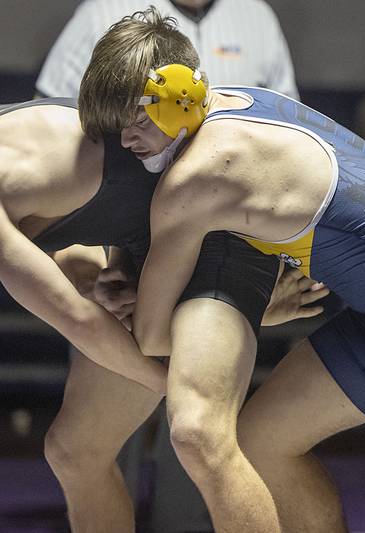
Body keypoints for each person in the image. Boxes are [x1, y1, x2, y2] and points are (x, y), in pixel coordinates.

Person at [78, 9, 365, 532]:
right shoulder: (242, 100)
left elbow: (155, 336)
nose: (126, 145)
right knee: (263, 442)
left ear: (178, 97)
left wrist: (178, 306)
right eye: (116, 131)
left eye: (136, 124)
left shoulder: (195, 179)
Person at [0, 94, 325, 532]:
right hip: (195, 216)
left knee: (190, 434)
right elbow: (81, 259)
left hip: (203, 225)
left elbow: (78, 322)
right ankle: (229, 310)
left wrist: (179, 375)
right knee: (77, 450)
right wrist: (120, 271)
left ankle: (233, 308)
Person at [37, 1, 300, 529]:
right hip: (128, 252)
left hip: (228, 253)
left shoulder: (258, 19)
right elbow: (66, 149)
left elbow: (284, 148)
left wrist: (259, 290)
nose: (131, 135)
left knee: (200, 443)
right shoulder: (102, 13)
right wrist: (91, 271)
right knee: (77, 450)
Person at [36, 0, 297, 100]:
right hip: (123, 190)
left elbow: (289, 116)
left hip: (234, 198)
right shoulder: (101, 11)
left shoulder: (257, 15)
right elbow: (46, 110)